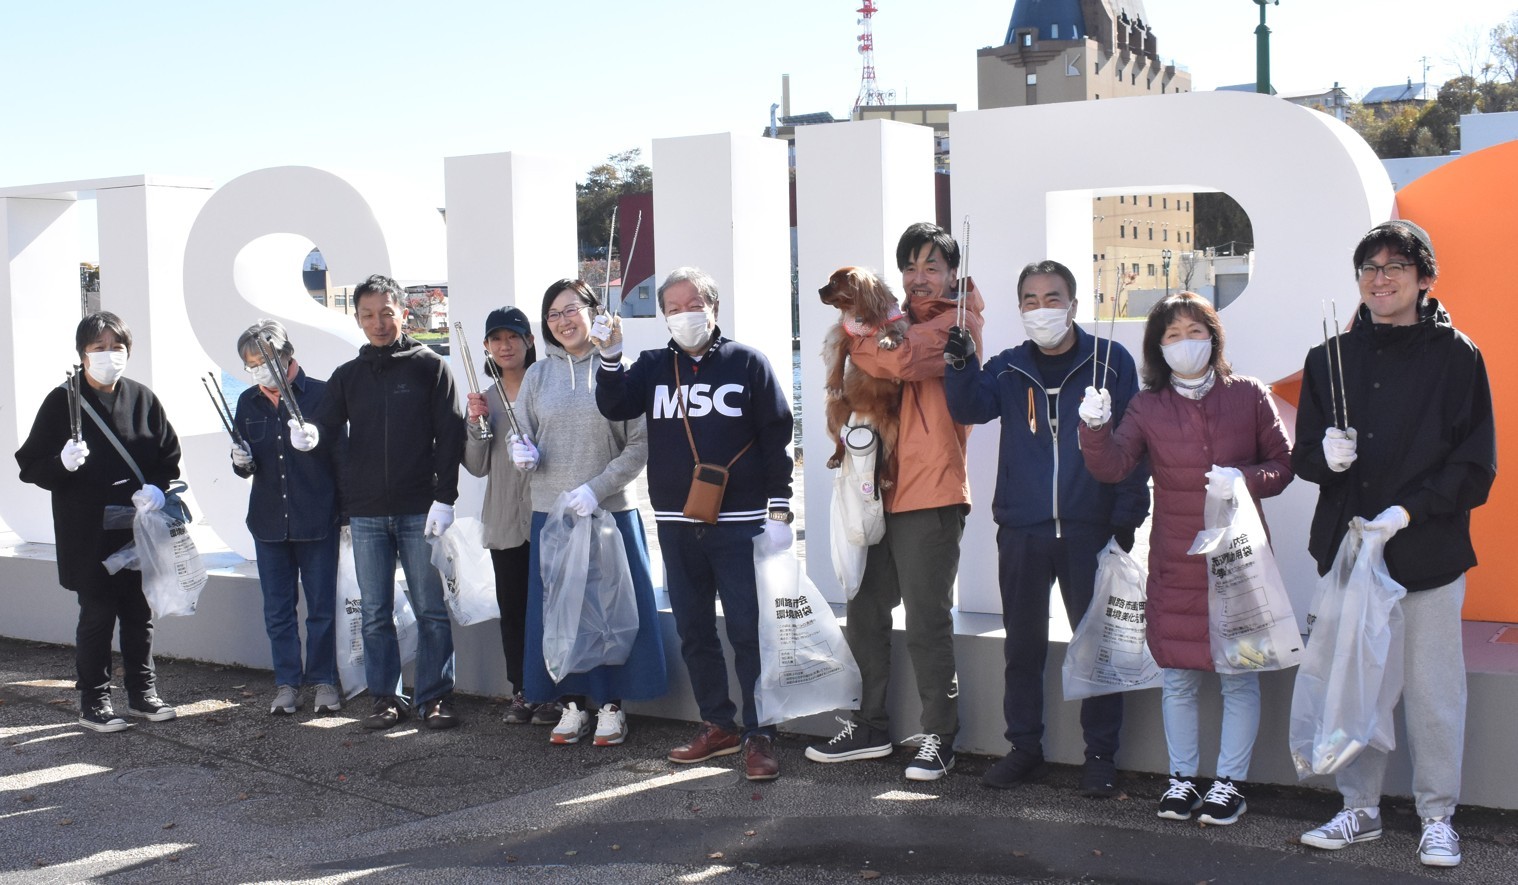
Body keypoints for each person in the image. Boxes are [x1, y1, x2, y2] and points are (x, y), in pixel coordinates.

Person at [1294, 220, 1494, 868]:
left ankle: (1438, 816)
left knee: (1435, 696)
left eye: (1396, 267)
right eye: (1370, 268)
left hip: (1427, 555)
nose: (1381, 280)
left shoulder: (1457, 357)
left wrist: (1409, 511)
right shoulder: (1328, 359)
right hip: (1351, 553)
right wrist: (1326, 458)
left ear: (1424, 277)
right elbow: (1304, 457)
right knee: (1356, 688)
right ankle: (1360, 808)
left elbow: (1475, 465)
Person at [1079, 292, 1292, 826]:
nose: (1184, 343)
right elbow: (1112, 466)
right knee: (1178, 677)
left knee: (1239, 676)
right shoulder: (1147, 406)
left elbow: (1283, 465)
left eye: (1195, 331)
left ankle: (1229, 785)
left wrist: (1243, 479)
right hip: (1176, 561)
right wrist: (1094, 429)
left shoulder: (1249, 394)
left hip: (1238, 562)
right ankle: (1181, 781)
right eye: (1172, 335)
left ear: (1213, 337)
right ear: (1158, 347)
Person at [943, 260, 1150, 797]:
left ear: (1073, 304)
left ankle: (1100, 756)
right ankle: (1024, 749)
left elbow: (1135, 442)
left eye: (1052, 298)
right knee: (1022, 648)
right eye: (1030, 301)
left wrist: (1126, 519)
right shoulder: (1009, 367)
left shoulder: (1111, 360)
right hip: (1024, 531)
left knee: (1098, 646)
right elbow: (969, 407)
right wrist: (960, 363)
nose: (1042, 309)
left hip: (1090, 530)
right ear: (1020, 309)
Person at [595, 267, 794, 781]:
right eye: (673, 308)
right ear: (663, 316)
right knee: (694, 628)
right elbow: (614, 404)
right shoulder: (653, 366)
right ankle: (717, 724)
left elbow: (776, 437)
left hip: (741, 521)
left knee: (749, 630)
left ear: (713, 307)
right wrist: (610, 357)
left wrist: (779, 508)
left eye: (693, 305)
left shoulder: (747, 363)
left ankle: (760, 732)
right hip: (676, 520)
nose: (684, 315)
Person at [804, 222, 984, 782]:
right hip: (873, 485)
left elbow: (905, 360)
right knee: (863, 610)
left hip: (931, 489)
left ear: (952, 273)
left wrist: (855, 335)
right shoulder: (890, 318)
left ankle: (940, 737)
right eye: (910, 267)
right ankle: (869, 726)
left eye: (932, 266)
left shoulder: (960, 322)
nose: (919, 277)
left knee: (927, 618)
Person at [507, 279, 665, 747]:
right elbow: (523, 433)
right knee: (561, 611)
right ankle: (572, 703)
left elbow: (640, 446)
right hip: (552, 514)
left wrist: (597, 490)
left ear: (594, 312)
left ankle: (612, 706)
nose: (563, 321)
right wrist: (522, 453)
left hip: (609, 513)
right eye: (553, 314)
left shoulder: (620, 369)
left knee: (611, 609)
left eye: (571, 309)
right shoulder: (538, 375)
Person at [307, 273, 466, 731]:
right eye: (367, 315)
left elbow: (451, 435)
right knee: (375, 613)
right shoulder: (348, 376)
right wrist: (309, 436)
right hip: (367, 513)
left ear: (403, 312)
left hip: (420, 508)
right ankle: (386, 698)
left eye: (386, 313)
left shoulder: (430, 367)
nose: (378, 323)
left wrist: (445, 498)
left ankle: (435, 697)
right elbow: (323, 430)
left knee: (430, 609)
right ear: (357, 319)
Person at [16, 311, 181, 732]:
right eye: (99, 347)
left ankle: (143, 694)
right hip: (87, 532)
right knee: (97, 616)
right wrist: (62, 463)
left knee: (140, 615)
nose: (110, 355)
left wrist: (158, 488)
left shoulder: (143, 398)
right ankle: (94, 702)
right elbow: (30, 465)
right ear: (82, 354)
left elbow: (167, 456)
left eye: (117, 347)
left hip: (137, 529)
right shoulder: (62, 401)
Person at [230, 320, 343, 716]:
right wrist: (240, 461)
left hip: (318, 518)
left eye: (265, 360)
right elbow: (247, 464)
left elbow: (342, 456)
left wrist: (318, 441)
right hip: (268, 522)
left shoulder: (323, 394)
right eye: (251, 364)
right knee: (277, 610)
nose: (259, 369)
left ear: (287, 353)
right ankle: (287, 684)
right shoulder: (248, 401)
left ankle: (324, 680)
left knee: (321, 609)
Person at [461, 306, 542, 725]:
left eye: (513, 336)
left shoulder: (547, 386)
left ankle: (558, 692)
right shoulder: (486, 399)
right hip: (505, 520)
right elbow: (477, 466)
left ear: (529, 341)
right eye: (496, 339)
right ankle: (522, 690)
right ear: (486, 346)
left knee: (552, 608)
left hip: (547, 516)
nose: (505, 345)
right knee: (513, 610)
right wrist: (475, 423)